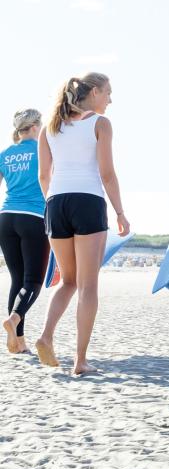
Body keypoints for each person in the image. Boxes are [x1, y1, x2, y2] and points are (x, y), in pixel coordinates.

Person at [35, 73, 130, 375]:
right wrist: (120, 212)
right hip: (88, 201)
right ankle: (80, 361)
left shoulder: (49, 128)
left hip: (56, 203)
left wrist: (52, 202)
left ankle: (46, 336)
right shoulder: (100, 124)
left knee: (68, 281)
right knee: (88, 285)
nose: (110, 99)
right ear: (93, 92)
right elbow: (107, 174)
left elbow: (43, 176)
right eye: (108, 93)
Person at [0, 109, 49, 354]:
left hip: (6, 218)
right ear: (34, 127)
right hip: (33, 218)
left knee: (17, 281)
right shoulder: (42, 150)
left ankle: (19, 343)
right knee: (33, 282)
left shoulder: (5, 154)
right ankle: (14, 318)